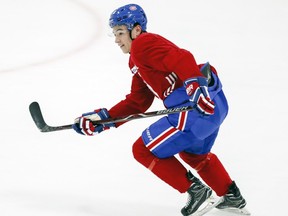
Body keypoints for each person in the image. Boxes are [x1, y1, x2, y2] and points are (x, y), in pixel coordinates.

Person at [72, 3, 247, 216]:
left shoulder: (143, 43)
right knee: (193, 155)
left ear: (136, 30)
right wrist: (103, 119)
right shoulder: (137, 59)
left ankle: (197, 193)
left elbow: (182, 58)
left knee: (142, 150)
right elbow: (138, 102)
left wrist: (195, 86)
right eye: (114, 34)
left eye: (120, 32)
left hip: (192, 107)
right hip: (211, 107)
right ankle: (231, 197)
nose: (117, 40)